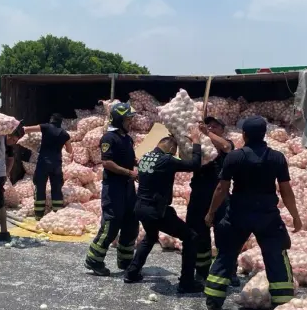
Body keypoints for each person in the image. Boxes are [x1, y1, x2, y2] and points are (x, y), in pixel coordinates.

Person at [203, 116, 302, 310]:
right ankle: (282, 306)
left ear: (245, 135)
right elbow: (286, 191)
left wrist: (211, 212)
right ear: (264, 134)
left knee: (226, 254)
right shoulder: (277, 158)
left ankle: (214, 302)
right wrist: (295, 216)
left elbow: (222, 188)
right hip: (267, 215)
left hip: (238, 213)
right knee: (276, 255)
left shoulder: (235, 157)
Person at [124, 130, 205, 293]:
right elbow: (195, 164)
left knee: (150, 236)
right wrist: (196, 142)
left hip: (140, 207)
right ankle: (187, 282)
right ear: (170, 150)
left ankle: (131, 273)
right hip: (155, 210)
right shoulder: (167, 160)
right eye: (174, 152)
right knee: (191, 237)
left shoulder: (146, 156)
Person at [84, 103, 139, 276]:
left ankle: (125, 260)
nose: (131, 122)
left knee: (131, 222)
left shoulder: (127, 139)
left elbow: (130, 159)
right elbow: (107, 163)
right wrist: (129, 172)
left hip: (128, 187)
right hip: (114, 188)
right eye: (128, 119)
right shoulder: (109, 138)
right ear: (120, 119)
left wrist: (139, 164)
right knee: (111, 223)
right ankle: (94, 260)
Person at [186, 117, 234, 281]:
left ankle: (229, 272)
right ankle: (202, 270)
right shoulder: (199, 145)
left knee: (224, 235)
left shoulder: (226, 143)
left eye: (215, 126)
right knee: (199, 235)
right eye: (208, 126)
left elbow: (226, 147)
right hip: (199, 195)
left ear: (222, 130)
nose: (211, 128)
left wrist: (207, 133)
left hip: (220, 196)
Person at [23, 113, 72, 219]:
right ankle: (57, 214)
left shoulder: (46, 127)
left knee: (40, 187)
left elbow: (27, 130)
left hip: (43, 163)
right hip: (56, 164)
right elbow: (69, 150)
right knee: (56, 188)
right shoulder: (65, 134)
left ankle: (39, 215)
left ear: (51, 120)